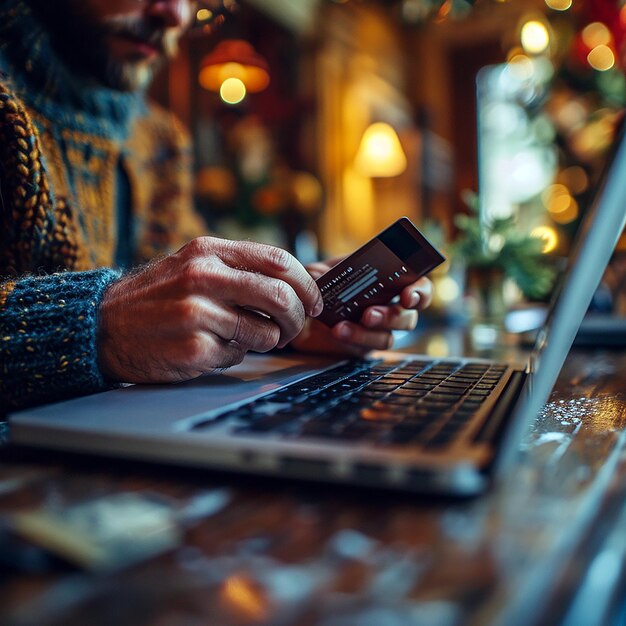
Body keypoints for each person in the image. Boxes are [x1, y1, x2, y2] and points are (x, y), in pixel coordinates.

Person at [0, 0, 433, 415]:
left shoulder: (161, 139)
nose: (175, 14)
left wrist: (281, 323)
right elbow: (133, 319)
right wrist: (100, 329)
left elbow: (179, 307)